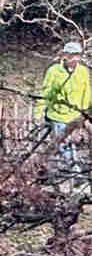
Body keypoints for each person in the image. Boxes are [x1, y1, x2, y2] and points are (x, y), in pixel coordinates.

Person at [37, 40, 92, 172]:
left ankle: (81, 165)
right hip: (58, 114)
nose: (73, 58)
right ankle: (74, 170)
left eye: (76, 55)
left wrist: (86, 113)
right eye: (70, 54)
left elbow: (87, 91)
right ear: (64, 55)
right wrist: (39, 112)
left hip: (77, 113)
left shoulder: (83, 71)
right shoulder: (54, 71)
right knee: (63, 141)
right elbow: (45, 92)